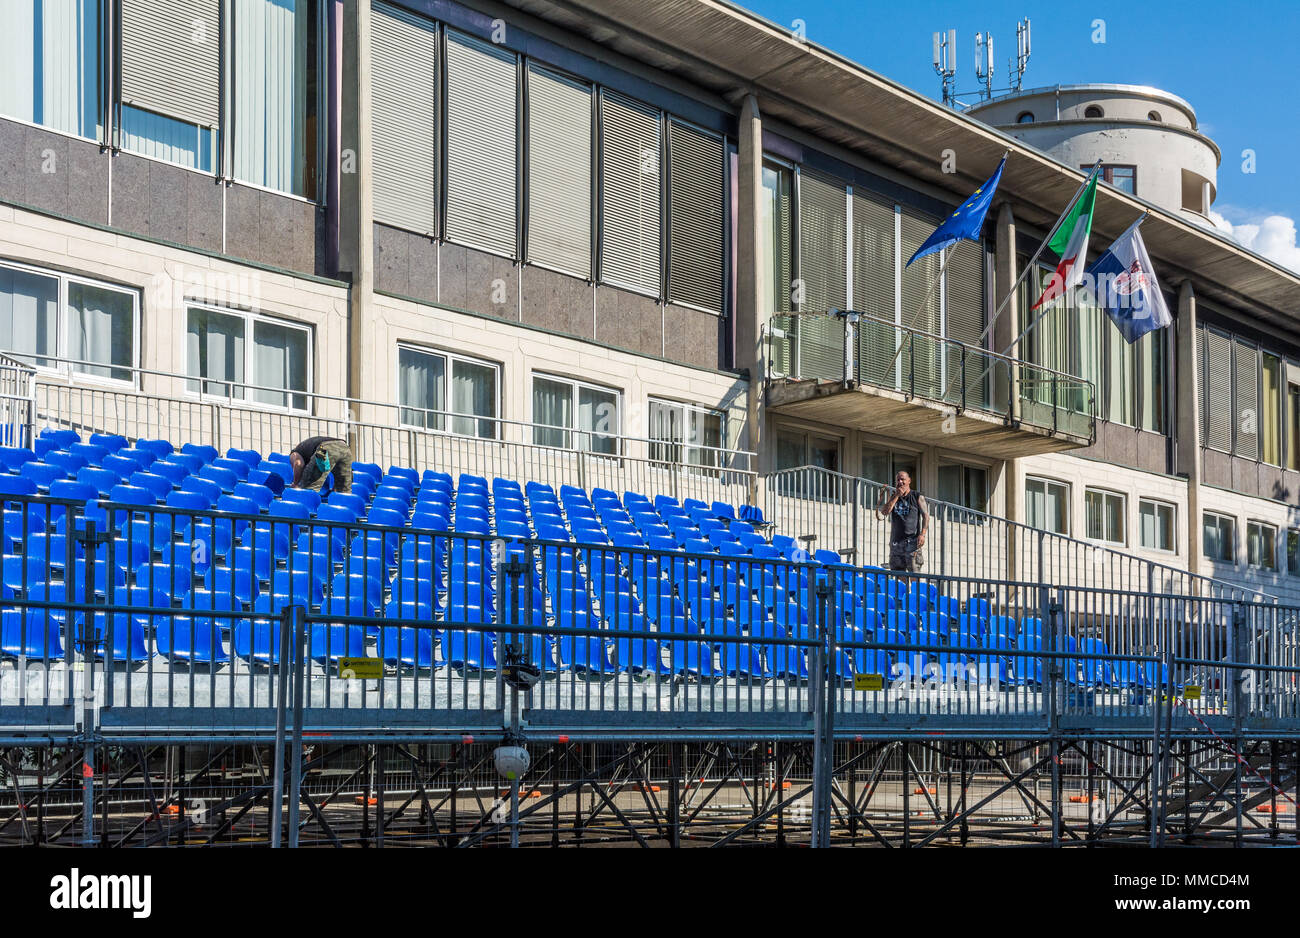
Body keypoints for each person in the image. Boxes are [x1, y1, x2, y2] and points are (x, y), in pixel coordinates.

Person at [875, 470, 928, 572]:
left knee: (914, 573)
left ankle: (913, 588)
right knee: (897, 573)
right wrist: (896, 496)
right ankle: (903, 588)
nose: (900, 482)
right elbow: (885, 512)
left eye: (902, 479)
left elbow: (926, 516)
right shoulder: (894, 496)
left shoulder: (917, 496)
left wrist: (923, 534)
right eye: (898, 480)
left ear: (909, 481)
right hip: (896, 542)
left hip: (912, 541)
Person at [289, 435, 353, 493]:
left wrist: (296, 483)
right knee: (343, 490)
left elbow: (298, 464)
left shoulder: (295, 452)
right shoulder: (307, 448)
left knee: (308, 487)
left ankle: (307, 504)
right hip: (345, 448)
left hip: (325, 448)